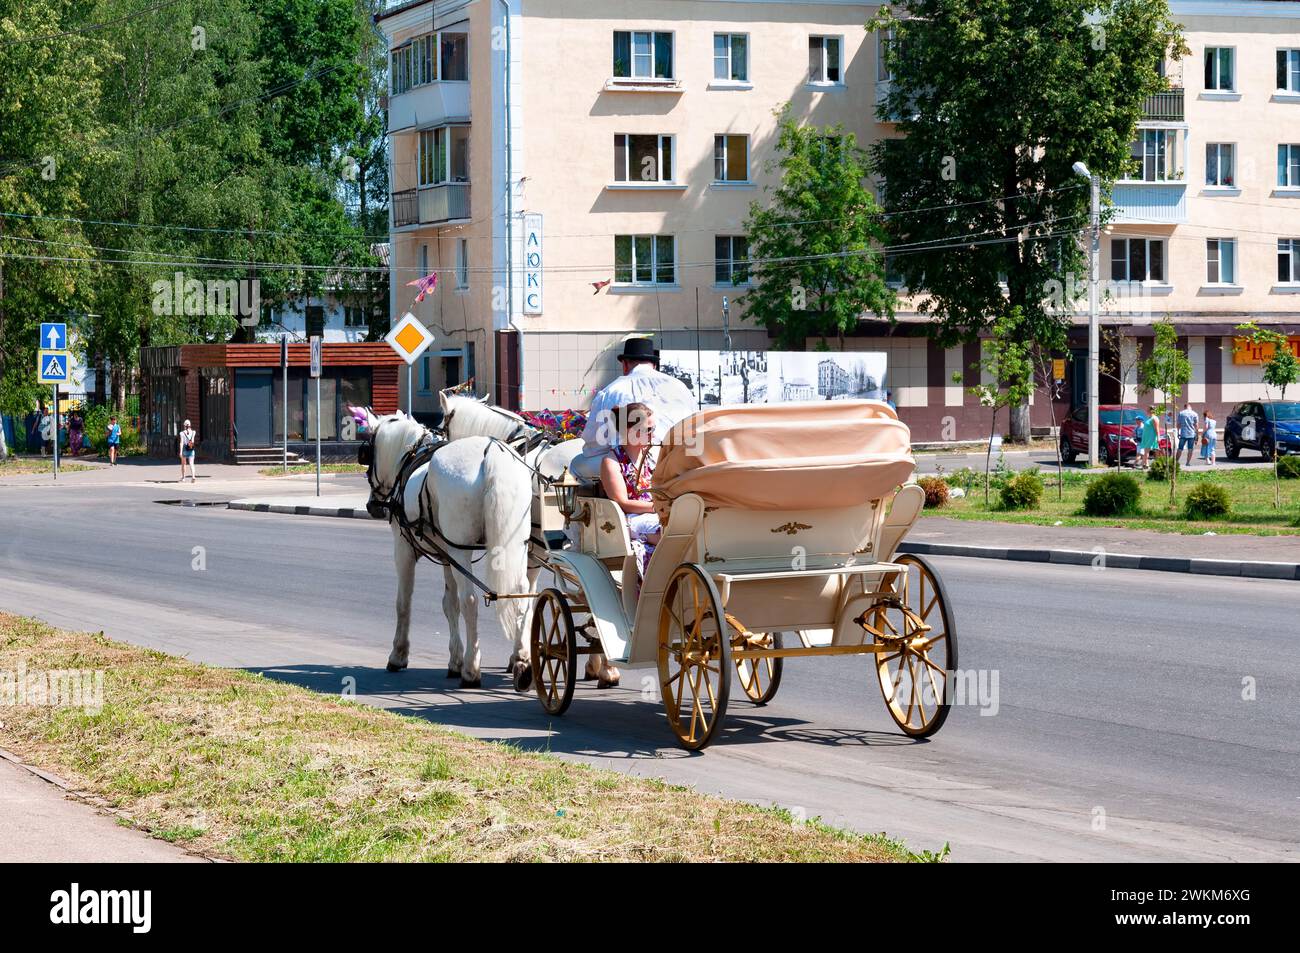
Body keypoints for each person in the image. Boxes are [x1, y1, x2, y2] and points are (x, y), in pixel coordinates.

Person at [573, 336, 696, 481]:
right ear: (654, 365)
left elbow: (593, 446)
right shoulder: (681, 387)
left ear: (625, 365)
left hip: (634, 462)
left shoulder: (611, 391)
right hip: (678, 464)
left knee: (576, 465)